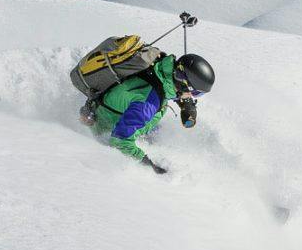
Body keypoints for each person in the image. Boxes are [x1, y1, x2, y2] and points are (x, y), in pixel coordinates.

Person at [83, 53, 215, 174]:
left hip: (118, 112)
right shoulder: (147, 104)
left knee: (161, 134)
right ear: (183, 84)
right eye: (196, 93)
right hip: (105, 129)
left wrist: (185, 103)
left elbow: (166, 86)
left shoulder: (161, 65)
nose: (193, 97)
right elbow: (119, 141)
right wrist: (149, 165)